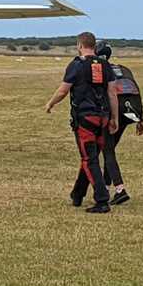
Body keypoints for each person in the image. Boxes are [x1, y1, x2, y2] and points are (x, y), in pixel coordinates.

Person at [45, 32, 119, 213]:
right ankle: (77, 194)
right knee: (90, 157)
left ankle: (102, 200)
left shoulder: (76, 65)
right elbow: (112, 93)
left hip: (85, 118)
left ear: (79, 45)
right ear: (94, 45)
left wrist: (50, 103)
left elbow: (63, 91)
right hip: (102, 118)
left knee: (89, 159)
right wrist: (114, 118)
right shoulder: (105, 65)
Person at [95, 42, 143, 205]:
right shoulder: (123, 69)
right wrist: (140, 119)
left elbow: (104, 95)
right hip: (129, 114)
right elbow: (136, 90)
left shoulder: (100, 71)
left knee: (108, 151)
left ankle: (120, 189)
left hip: (113, 114)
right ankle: (106, 184)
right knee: (110, 149)